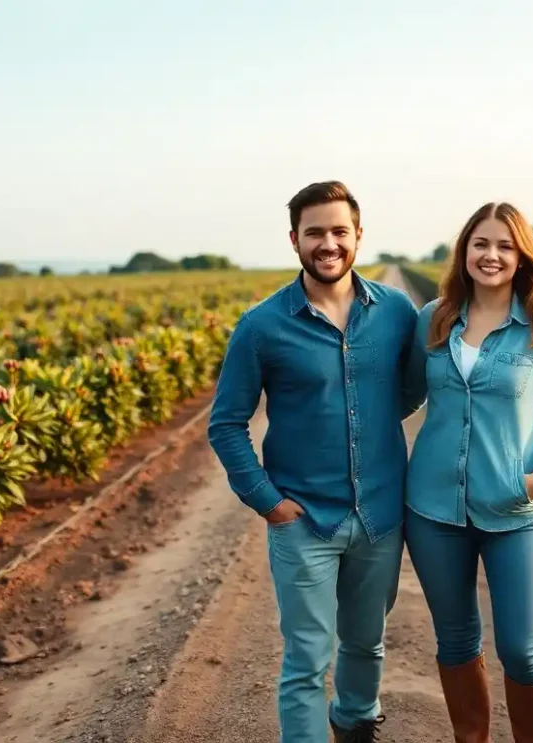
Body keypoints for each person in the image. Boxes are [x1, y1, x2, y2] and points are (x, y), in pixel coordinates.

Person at [207, 180, 424, 743]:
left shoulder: (396, 312)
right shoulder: (261, 326)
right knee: (306, 659)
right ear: (294, 240)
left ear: (358, 236)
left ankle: (355, 722)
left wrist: (372, 422)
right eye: (314, 233)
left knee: (366, 643)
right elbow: (226, 423)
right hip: (303, 519)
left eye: (339, 231)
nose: (328, 244)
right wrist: (269, 502)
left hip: (379, 514)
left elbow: (411, 390)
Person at [402, 201, 533, 743]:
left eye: (504, 246)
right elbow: (404, 396)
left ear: (522, 256)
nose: (491, 255)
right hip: (433, 510)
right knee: (456, 641)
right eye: (481, 244)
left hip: (518, 511)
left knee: (522, 649)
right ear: (464, 251)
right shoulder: (434, 318)